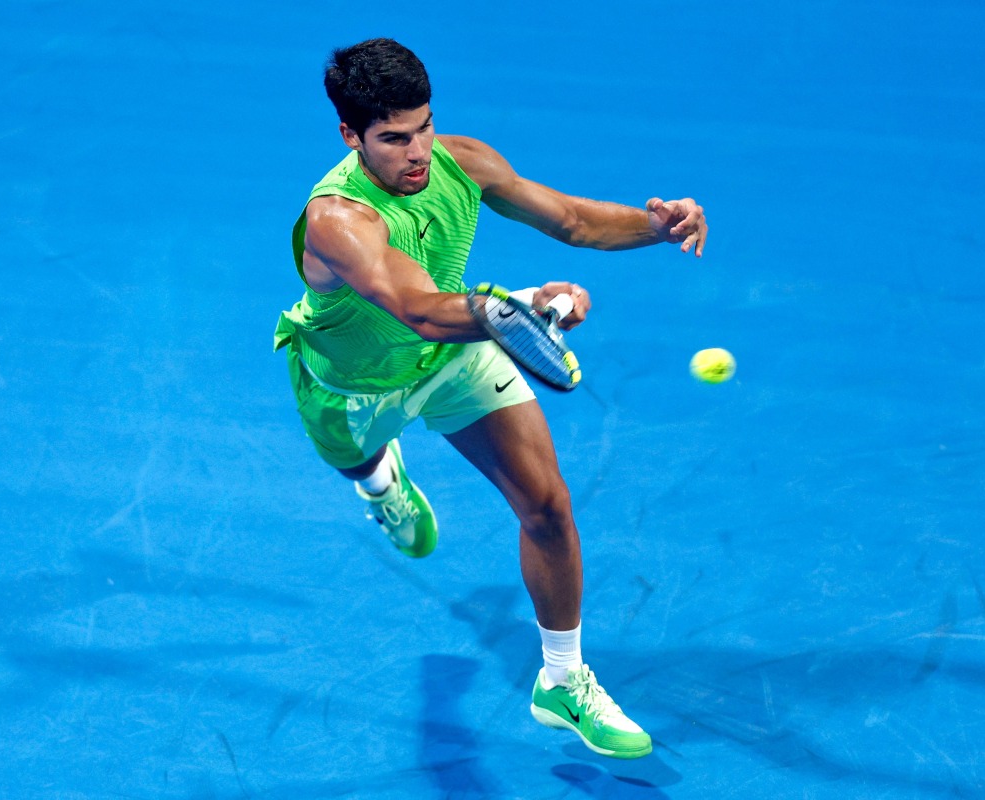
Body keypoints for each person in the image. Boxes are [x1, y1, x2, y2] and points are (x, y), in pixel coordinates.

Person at [273, 37, 707, 760]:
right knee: (361, 463)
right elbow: (414, 306)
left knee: (547, 504)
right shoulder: (337, 220)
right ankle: (382, 484)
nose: (415, 153)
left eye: (423, 128)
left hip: (451, 354)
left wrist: (655, 227)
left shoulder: (460, 161)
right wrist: (521, 305)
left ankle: (563, 681)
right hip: (355, 389)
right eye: (391, 139)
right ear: (351, 135)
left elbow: (570, 220)